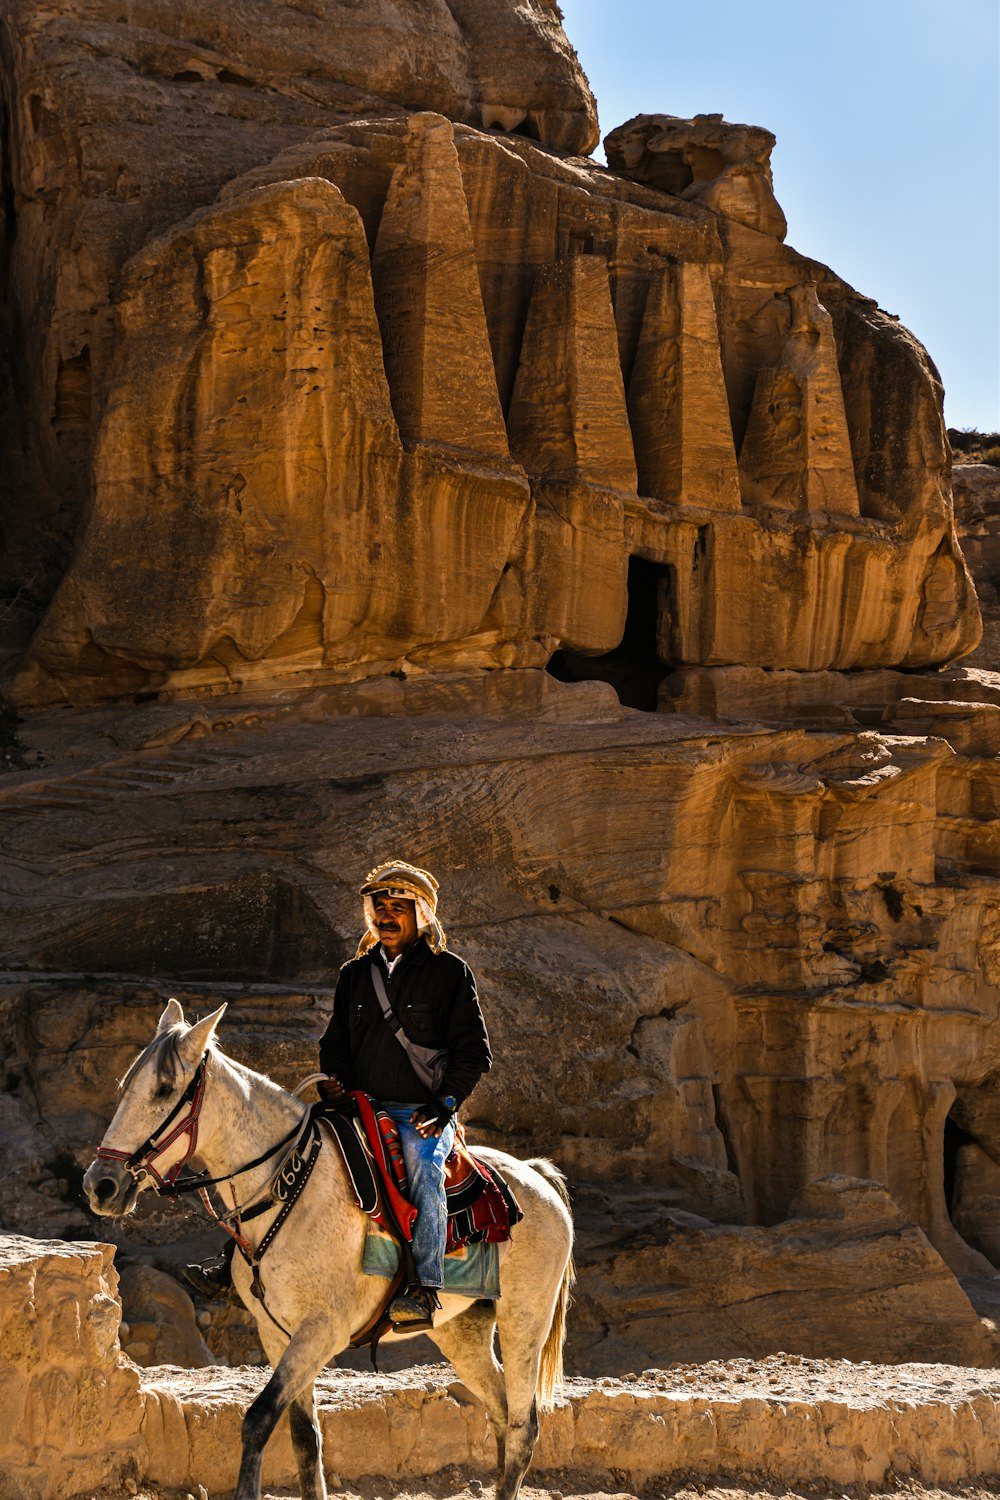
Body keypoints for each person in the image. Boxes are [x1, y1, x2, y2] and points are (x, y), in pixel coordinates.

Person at [318, 860, 492, 1325]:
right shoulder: (354, 974)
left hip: (424, 1111)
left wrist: (445, 1105)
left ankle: (424, 1287)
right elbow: (334, 1042)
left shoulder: (449, 973)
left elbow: (474, 1053)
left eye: (398, 907)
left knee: (424, 1170)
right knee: (288, 1147)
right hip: (359, 1108)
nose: (386, 917)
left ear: (421, 916)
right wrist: (333, 1075)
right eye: (380, 907)